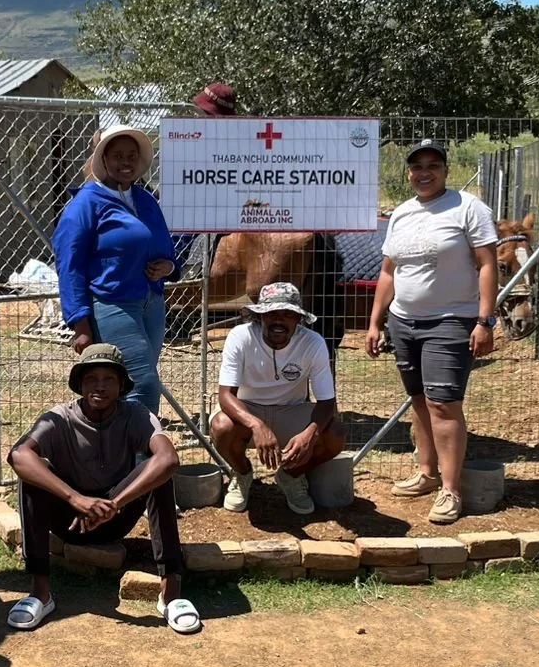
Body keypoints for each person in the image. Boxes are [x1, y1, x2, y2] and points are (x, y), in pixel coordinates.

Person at [7, 345, 200, 635]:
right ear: (80, 384)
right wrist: (76, 499)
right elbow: (19, 455)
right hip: (70, 518)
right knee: (32, 479)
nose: (100, 386)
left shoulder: (136, 414)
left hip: (115, 516)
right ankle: (40, 593)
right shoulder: (59, 418)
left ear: (122, 385)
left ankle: (171, 593)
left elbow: (169, 458)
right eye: (92, 378)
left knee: (158, 473)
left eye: (109, 379)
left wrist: (116, 503)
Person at [364, 139, 498, 524]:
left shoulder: (468, 208)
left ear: (446, 170)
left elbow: (487, 264)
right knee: (420, 401)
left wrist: (484, 320)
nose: (424, 173)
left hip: (451, 320)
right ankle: (426, 473)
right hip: (404, 322)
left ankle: (450, 490)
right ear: (409, 173)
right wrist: (376, 321)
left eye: (433, 165)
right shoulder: (403, 214)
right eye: (417, 166)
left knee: (443, 404)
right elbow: (390, 271)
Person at [51, 125, 175, 414]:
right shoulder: (86, 203)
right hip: (112, 305)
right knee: (143, 383)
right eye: (118, 155)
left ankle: (120, 451)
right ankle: (143, 455)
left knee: (126, 386)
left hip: (151, 305)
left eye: (132, 155)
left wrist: (169, 265)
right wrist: (80, 323)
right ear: (102, 159)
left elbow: (164, 244)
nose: (126, 161)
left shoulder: (145, 200)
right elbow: (69, 265)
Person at [210, 283, 349, 515]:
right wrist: (257, 425)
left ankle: (291, 477)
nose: (279, 321)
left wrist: (310, 434)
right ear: (259, 316)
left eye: (288, 314)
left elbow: (326, 402)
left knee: (335, 434)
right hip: (247, 410)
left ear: (298, 319)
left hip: (291, 409)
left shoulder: (313, 342)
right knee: (222, 426)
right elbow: (225, 395)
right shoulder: (240, 336)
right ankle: (242, 473)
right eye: (271, 313)